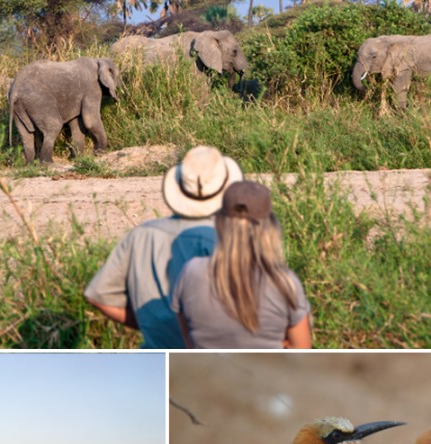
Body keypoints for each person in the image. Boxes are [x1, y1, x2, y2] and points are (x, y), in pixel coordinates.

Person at [84, 145, 243, 348]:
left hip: (156, 356)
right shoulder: (231, 239)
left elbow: (99, 296)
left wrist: (149, 324)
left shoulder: (140, 236)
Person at [171, 180, 312, 348]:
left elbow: (189, 343)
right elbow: (302, 351)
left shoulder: (191, 272)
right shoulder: (285, 282)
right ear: (270, 227)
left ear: (220, 223)